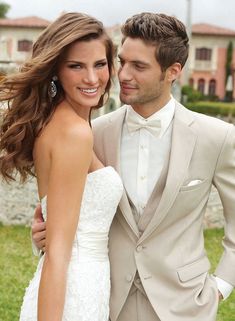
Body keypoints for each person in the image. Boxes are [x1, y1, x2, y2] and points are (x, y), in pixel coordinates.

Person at [32, 12, 235, 321]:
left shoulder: (217, 138)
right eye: (122, 62)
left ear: (173, 72)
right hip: (108, 301)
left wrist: (222, 284)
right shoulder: (93, 134)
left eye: (138, 66)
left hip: (185, 306)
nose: (123, 75)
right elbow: (69, 218)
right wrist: (42, 232)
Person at [0, 12, 123, 321]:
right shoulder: (74, 133)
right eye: (76, 66)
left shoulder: (59, 121)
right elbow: (57, 252)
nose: (92, 79)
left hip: (83, 283)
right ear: (55, 70)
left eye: (99, 64)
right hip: (72, 292)